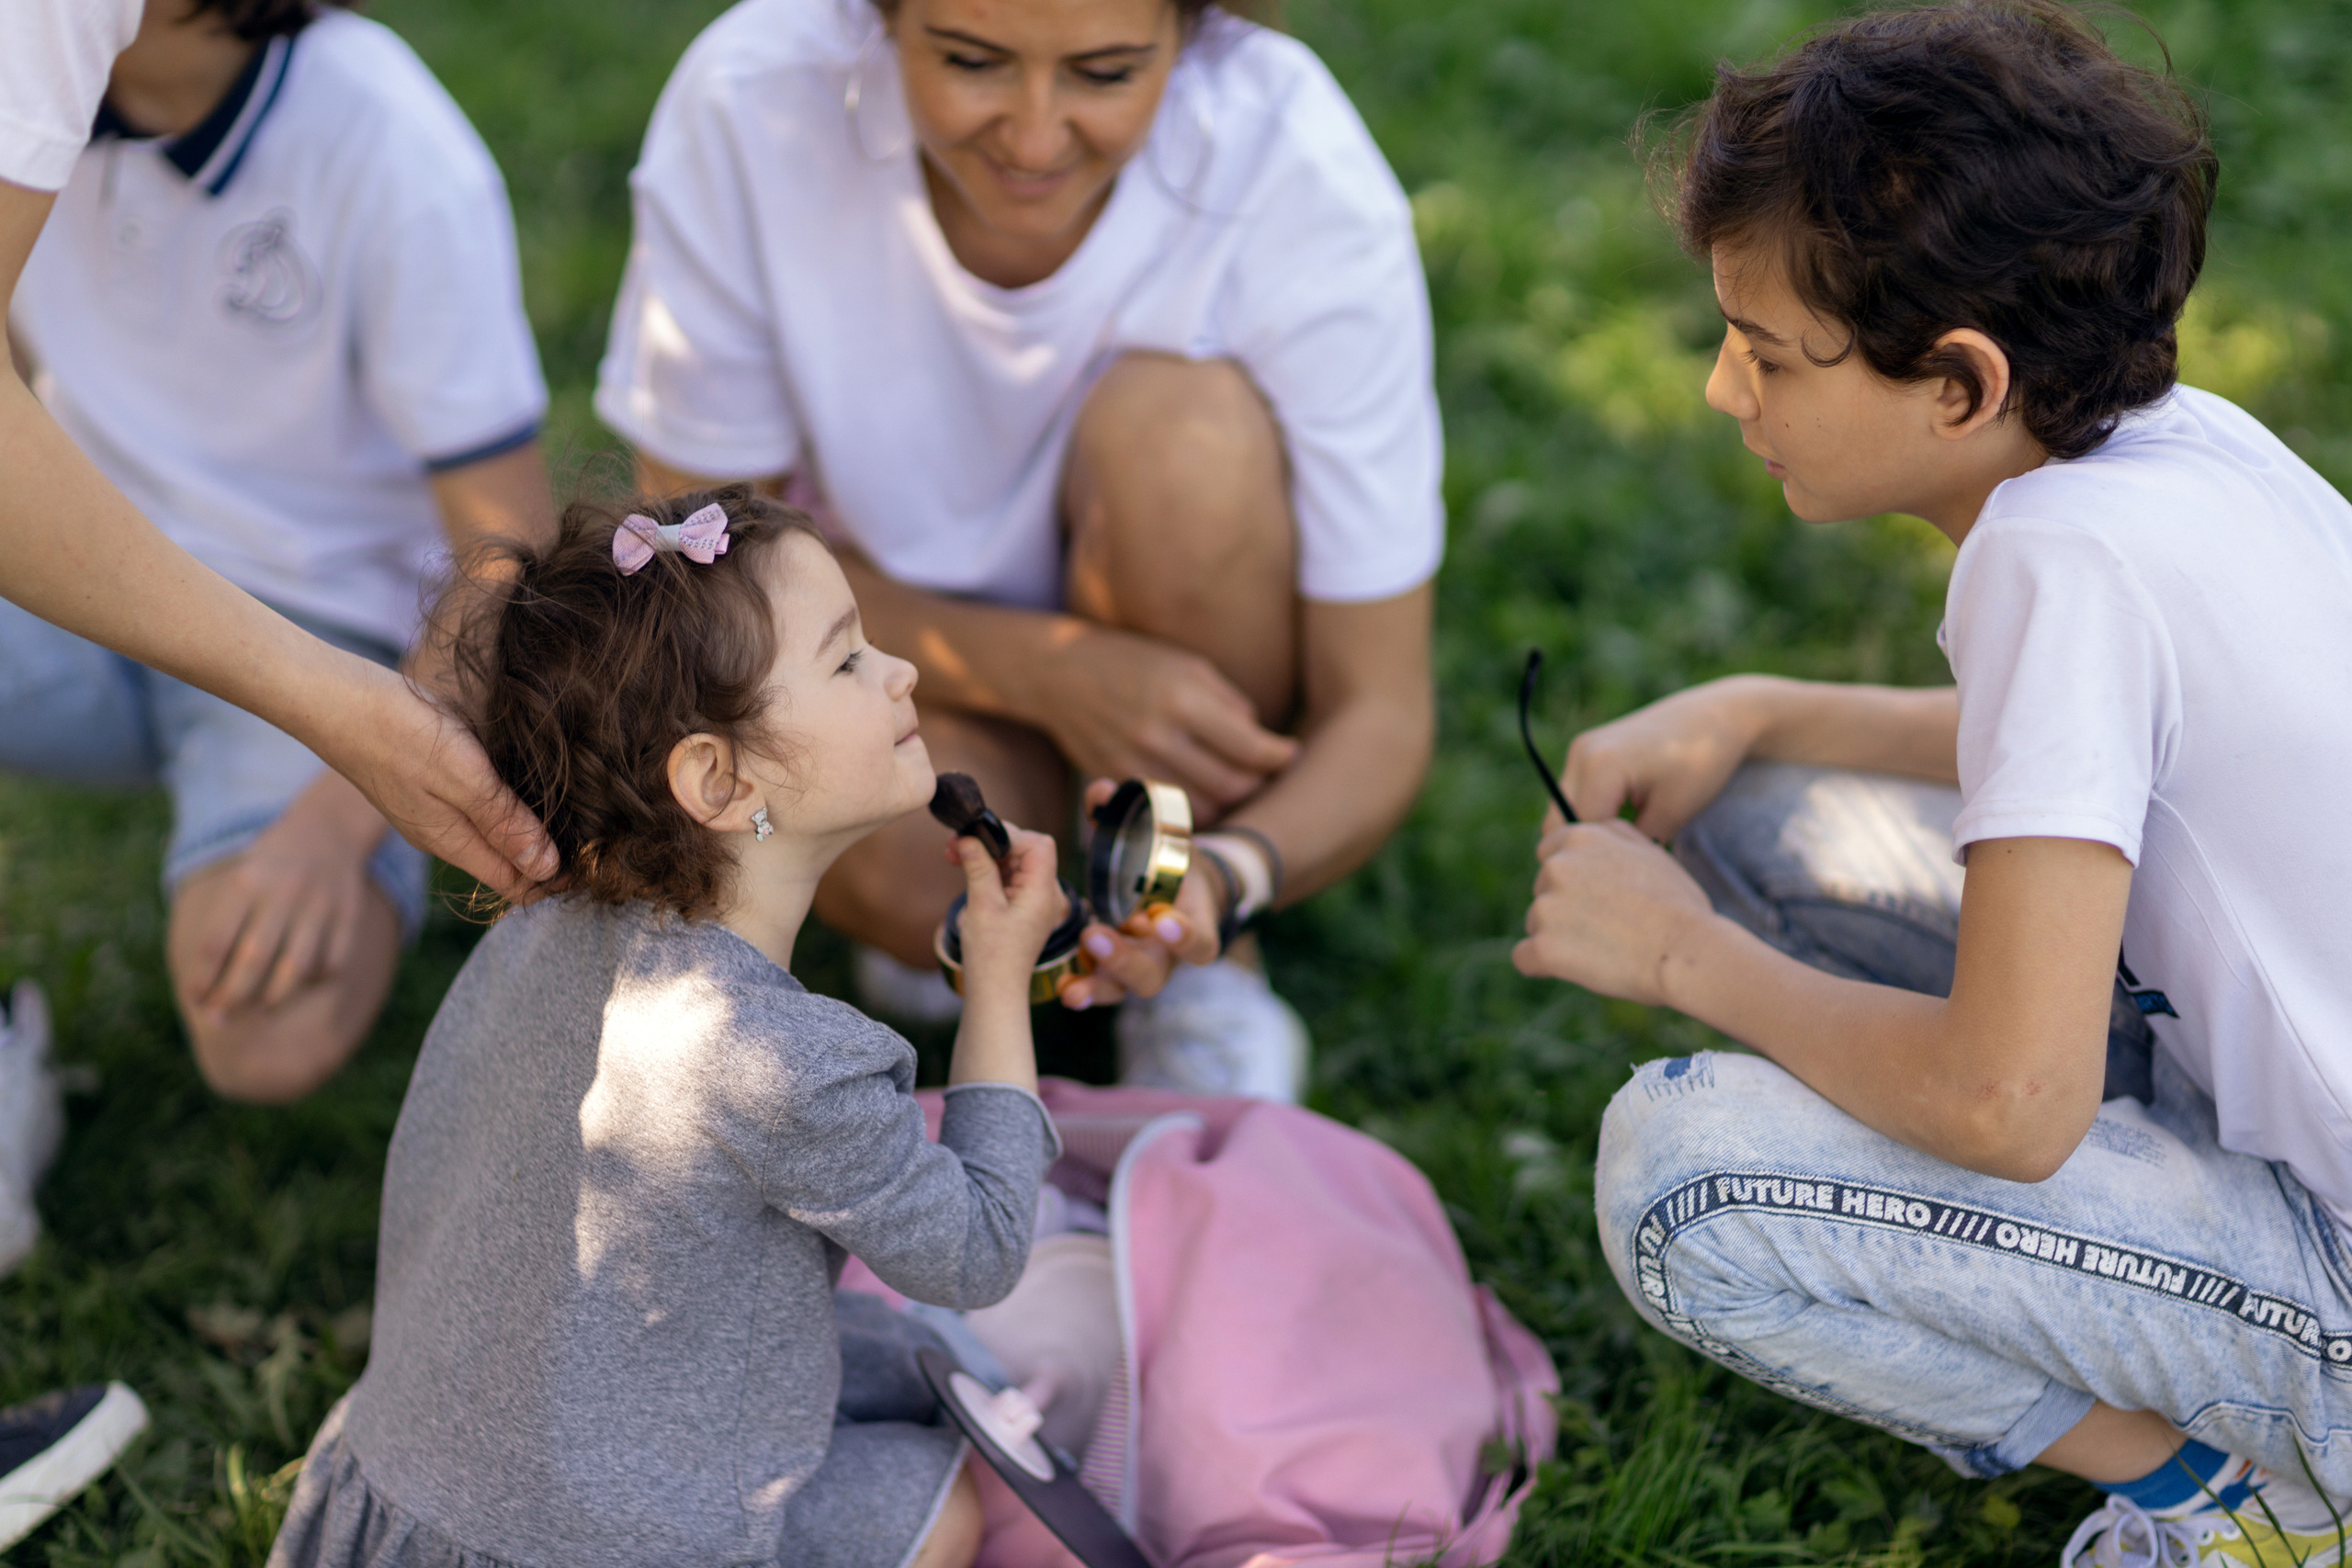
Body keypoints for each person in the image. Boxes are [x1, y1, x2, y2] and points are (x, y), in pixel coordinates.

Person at [1510, 5, 2352, 1563]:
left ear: (1959, 384)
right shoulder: (2180, 450)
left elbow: (2004, 1104)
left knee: (1679, 1184)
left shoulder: (2055, 558)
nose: (1719, 390)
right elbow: (2097, 764)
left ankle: (2241, 1505)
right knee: (1763, 817)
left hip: (2339, 1279)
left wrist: (1680, 956)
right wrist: (1763, 706)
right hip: (2281, 1137)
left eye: (1765, 352)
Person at [594, 0, 1442, 1099]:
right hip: (894, 679)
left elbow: (1379, 711)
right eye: (971, 60)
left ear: (1192, 36)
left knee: (1183, 436)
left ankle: (1190, 949)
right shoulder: (754, 101)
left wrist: (1228, 876)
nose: (1035, 139)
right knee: (888, 867)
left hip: (1180, 705)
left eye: (1105, 72)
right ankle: (954, 928)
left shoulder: (1290, 161)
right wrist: (1043, 667)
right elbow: (703, 592)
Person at [268, 488, 1063, 1568]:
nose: (901, 672)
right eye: (846, 662)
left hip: (406, 1506)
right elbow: (979, 1248)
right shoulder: (773, 1061)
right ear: (718, 780)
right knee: (941, 1500)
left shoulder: (536, 934)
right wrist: (1001, 975)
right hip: (597, 1544)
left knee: (890, 1362)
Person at [6, 0, 555, 1105]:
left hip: (324, 630)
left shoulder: (391, 141)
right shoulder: (39, 93)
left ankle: (264, 800)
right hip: (81, 576)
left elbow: (511, 556)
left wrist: (340, 813)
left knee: (266, 1031)